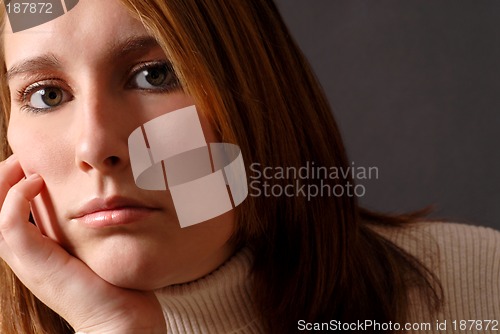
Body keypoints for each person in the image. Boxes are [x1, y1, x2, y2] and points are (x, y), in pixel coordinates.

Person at [0, 0, 498, 333]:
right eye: (46, 95)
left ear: (257, 89)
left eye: (155, 74)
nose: (95, 144)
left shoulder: (480, 288)